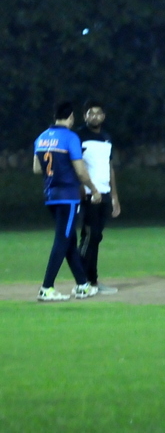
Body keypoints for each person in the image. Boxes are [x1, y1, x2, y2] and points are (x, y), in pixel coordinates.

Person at [32, 101, 100, 301]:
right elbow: (80, 170)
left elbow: (37, 169)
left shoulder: (41, 137)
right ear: (70, 117)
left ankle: (82, 285)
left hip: (51, 195)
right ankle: (46, 288)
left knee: (69, 240)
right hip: (68, 197)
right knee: (62, 240)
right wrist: (93, 190)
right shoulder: (70, 137)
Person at [75, 99, 121, 294]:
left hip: (103, 194)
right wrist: (81, 189)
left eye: (98, 113)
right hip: (87, 194)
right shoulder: (78, 136)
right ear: (85, 116)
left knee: (96, 237)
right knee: (89, 236)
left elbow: (109, 168)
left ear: (104, 116)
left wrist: (115, 197)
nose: (95, 116)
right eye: (90, 113)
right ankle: (83, 282)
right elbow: (75, 165)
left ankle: (92, 282)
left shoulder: (107, 138)